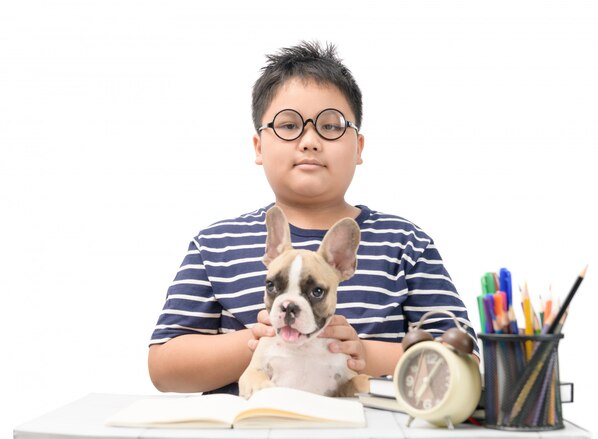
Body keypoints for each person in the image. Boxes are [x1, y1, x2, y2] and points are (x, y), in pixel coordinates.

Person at [148, 41, 478, 395]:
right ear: (259, 146)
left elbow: (463, 359)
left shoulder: (404, 243)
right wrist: (258, 340)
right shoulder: (216, 244)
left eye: (331, 126)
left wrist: (364, 354)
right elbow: (164, 369)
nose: (309, 141)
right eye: (289, 126)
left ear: (359, 148)